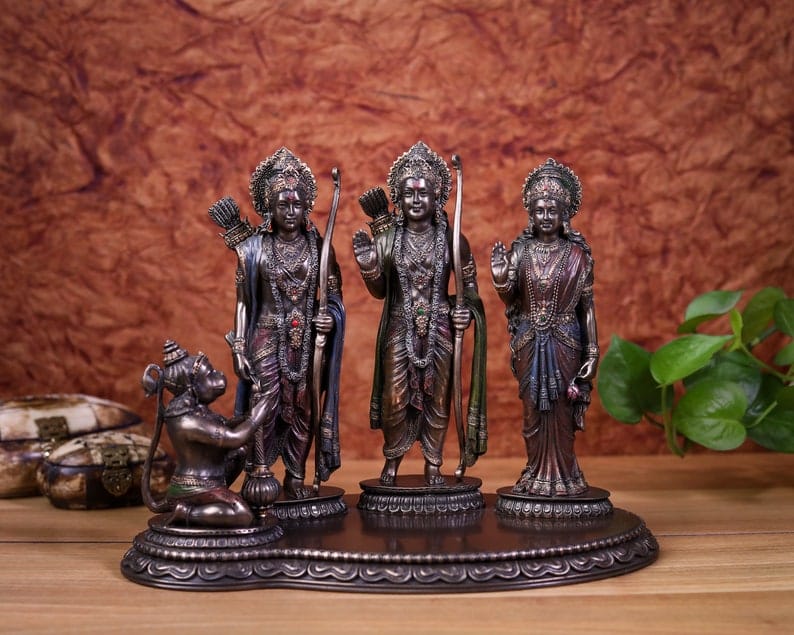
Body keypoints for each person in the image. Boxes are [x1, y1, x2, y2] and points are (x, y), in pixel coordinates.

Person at [210, 147, 345, 500]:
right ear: (269, 207)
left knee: (304, 407)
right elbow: (243, 303)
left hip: (308, 342)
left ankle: (296, 475)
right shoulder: (252, 249)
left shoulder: (321, 249)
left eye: (297, 204)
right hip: (266, 337)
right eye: (282, 204)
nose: (290, 211)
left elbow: (334, 297)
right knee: (263, 405)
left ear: (307, 207)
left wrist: (329, 317)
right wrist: (239, 349)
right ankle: (259, 470)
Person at [353, 141, 486, 486]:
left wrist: (465, 310)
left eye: (423, 193)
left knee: (437, 398)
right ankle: (392, 459)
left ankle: (433, 462)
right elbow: (380, 291)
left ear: (436, 197)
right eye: (409, 194)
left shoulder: (454, 240)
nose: (415, 200)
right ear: (398, 198)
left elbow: (471, 287)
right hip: (400, 326)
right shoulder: (388, 239)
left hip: (440, 326)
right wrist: (369, 267)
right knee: (394, 398)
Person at [491, 158, 598, 497]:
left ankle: (565, 476)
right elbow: (511, 299)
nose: (546, 217)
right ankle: (535, 471)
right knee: (532, 410)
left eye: (552, 211)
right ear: (531, 215)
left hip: (566, 341)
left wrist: (592, 353)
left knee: (561, 410)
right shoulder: (521, 252)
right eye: (539, 211)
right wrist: (500, 278)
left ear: (565, 214)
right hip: (528, 342)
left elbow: (587, 308)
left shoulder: (577, 256)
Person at [141, 340, 262, 528]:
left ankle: (219, 498)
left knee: (240, 452)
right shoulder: (187, 421)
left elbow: (226, 430)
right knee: (242, 515)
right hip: (194, 486)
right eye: (210, 375)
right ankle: (187, 512)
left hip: (210, 478)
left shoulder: (196, 411)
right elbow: (233, 438)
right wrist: (257, 415)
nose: (218, 376)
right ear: (191, 388)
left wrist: (245, 418)